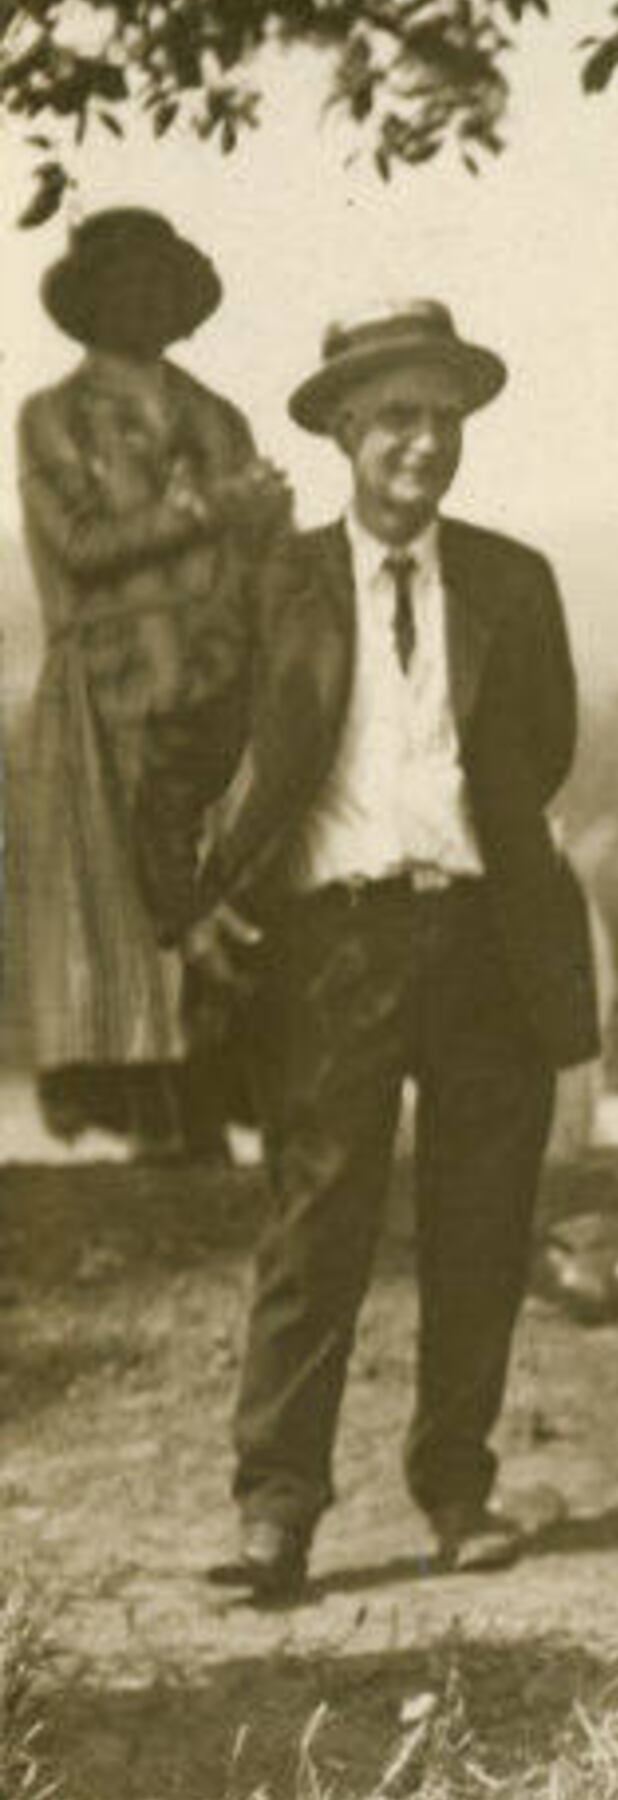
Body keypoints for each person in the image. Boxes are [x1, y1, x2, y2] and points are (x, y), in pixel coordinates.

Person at [175, 300, 598, 1604]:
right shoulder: (271, 584)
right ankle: (277, 1515)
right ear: (345, 431)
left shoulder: (512, 581)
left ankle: (459, 1489)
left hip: (485, 940)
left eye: (445, 418)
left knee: (480, 1226)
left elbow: (544, 747)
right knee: (318, 1228)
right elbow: (181, 754)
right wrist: (200, 904)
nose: (424, 444)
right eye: (397, 418)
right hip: (328, 946)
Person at [13, 206, 290, 1162]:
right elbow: (82, 546)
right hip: (112, 682)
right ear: (88, 305)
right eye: (124, 285)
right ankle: (149, 1116)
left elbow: (260, 556)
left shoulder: (219, 417)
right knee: (124, 895)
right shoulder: (53, 419)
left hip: (220, 673)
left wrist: (263, 533)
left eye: (161, 285)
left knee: (221, 877)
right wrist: (213, 509)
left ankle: (212, 1097)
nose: (145, 301)